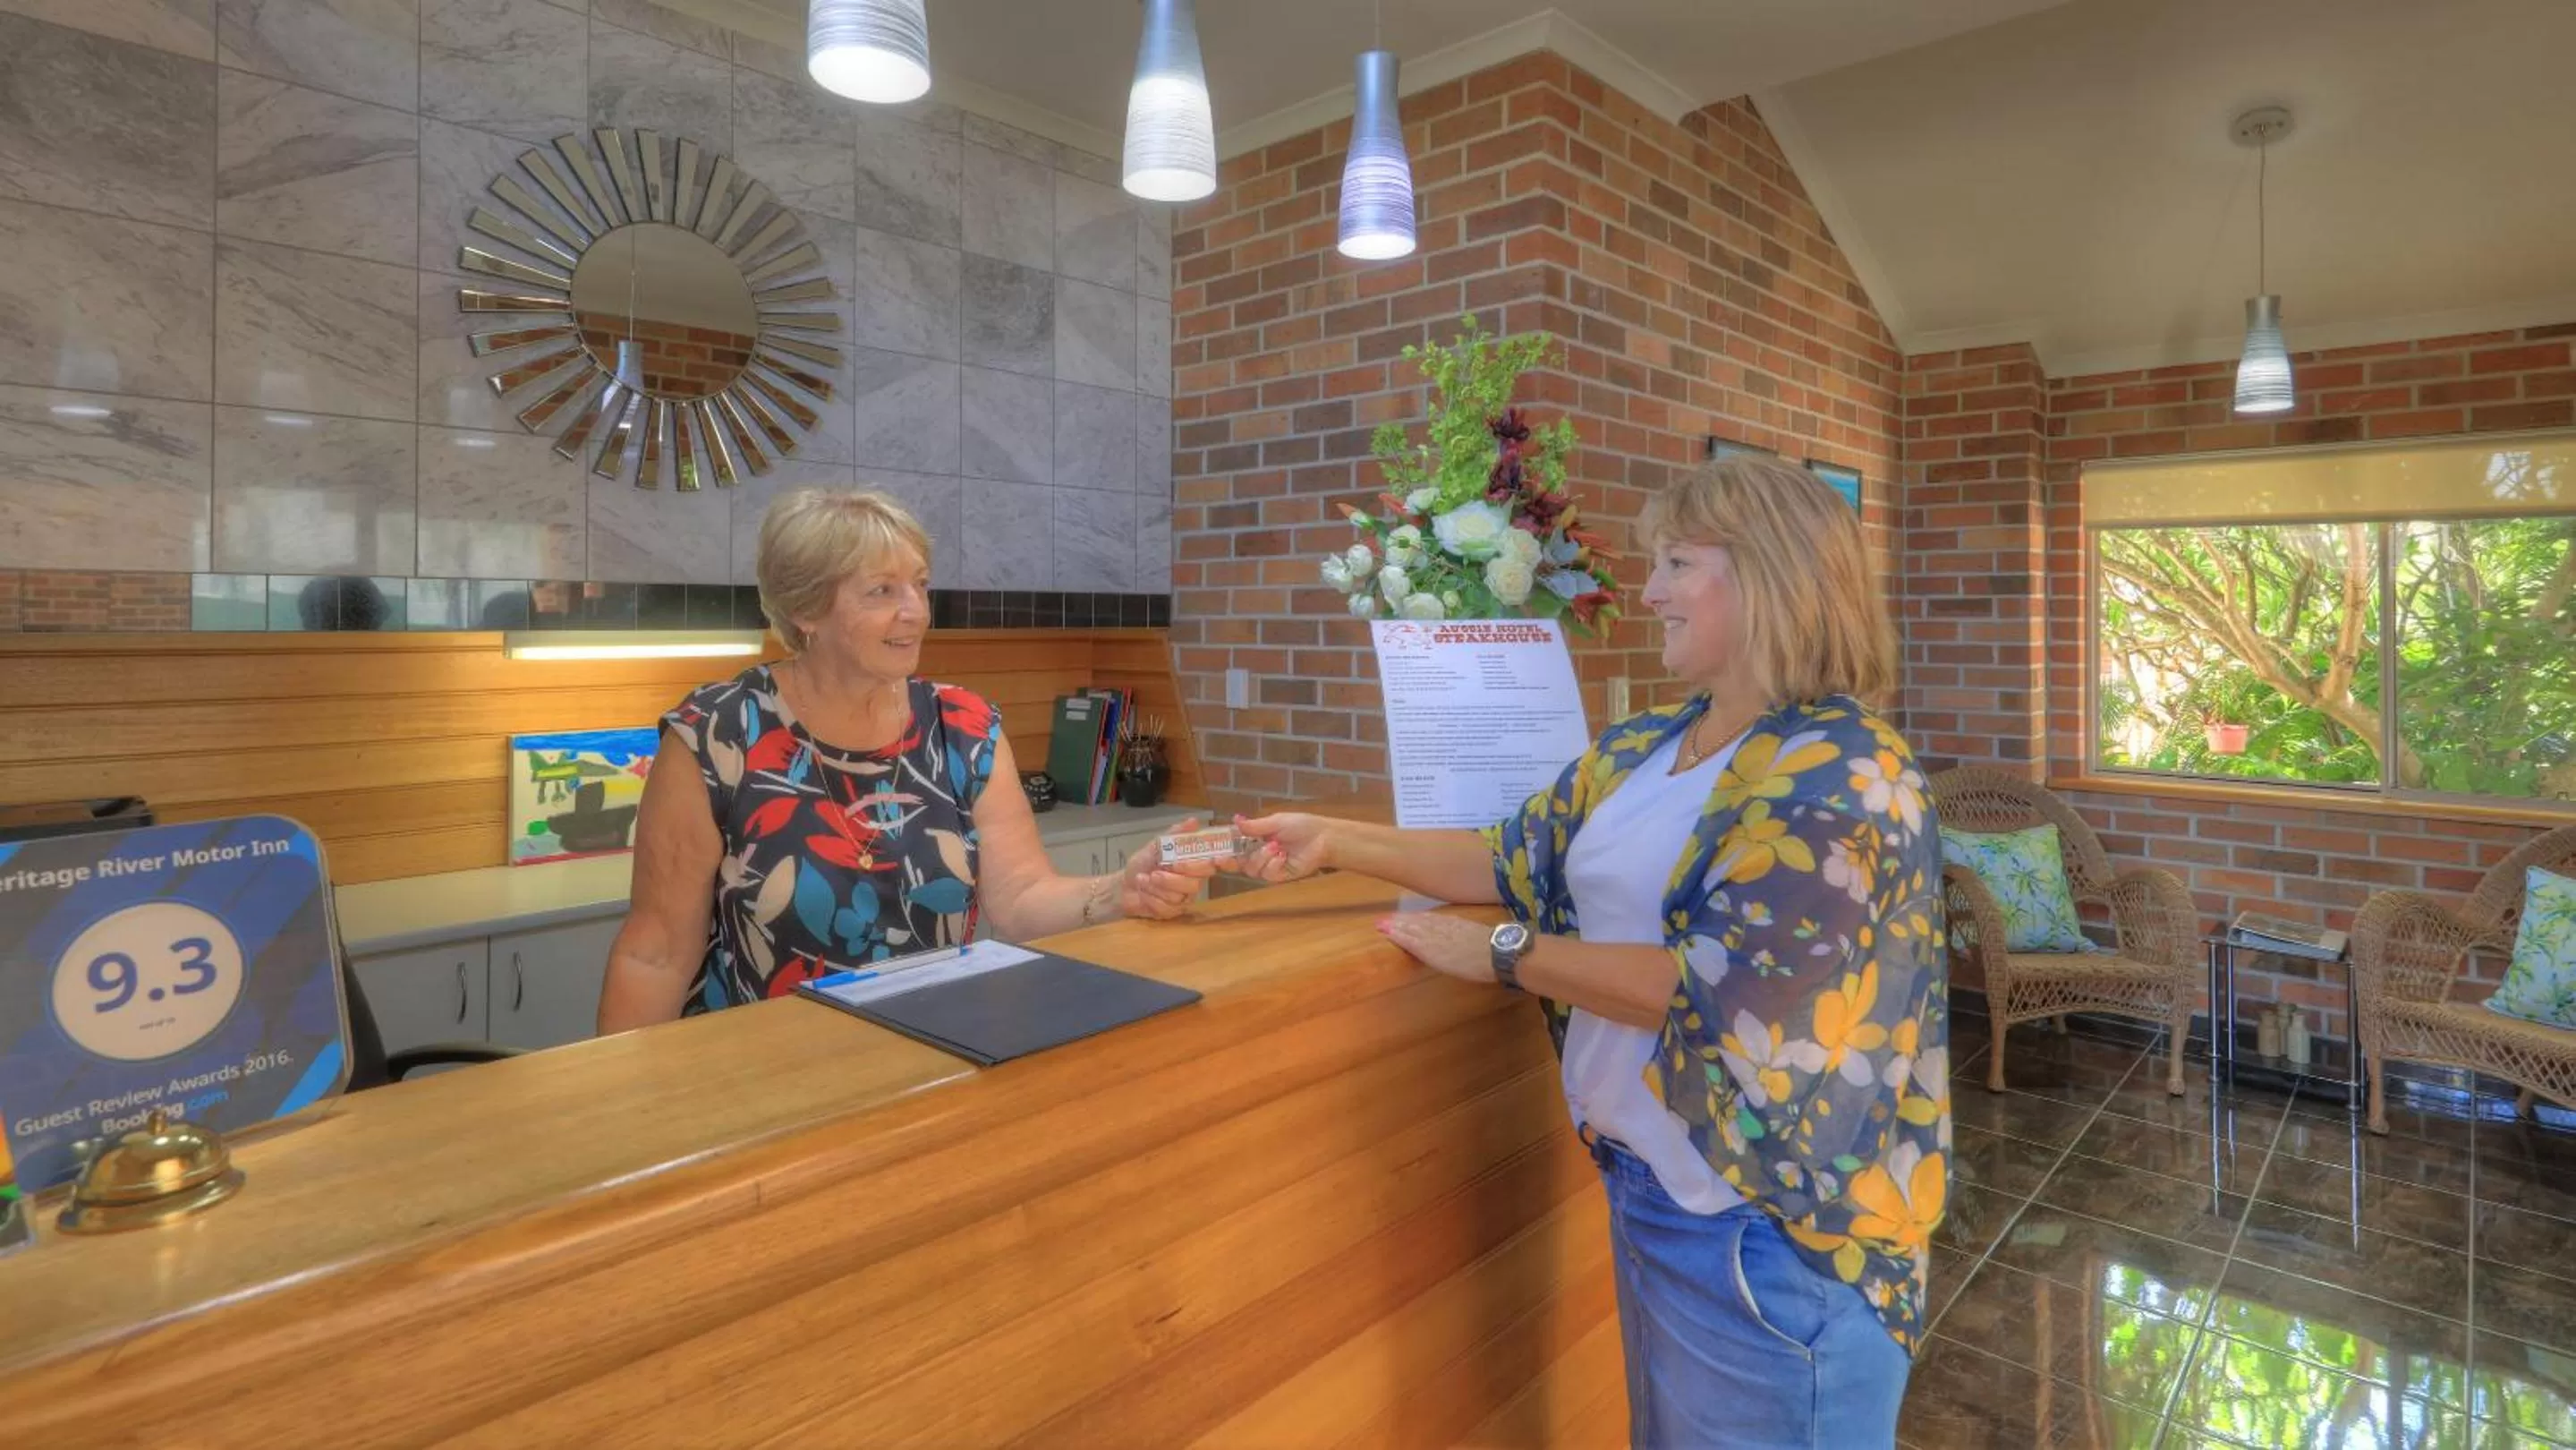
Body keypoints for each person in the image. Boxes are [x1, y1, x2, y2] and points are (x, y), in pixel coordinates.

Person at [1231, 456, 1948, 1448]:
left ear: (1771, 578)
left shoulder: (1848, 772)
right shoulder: (1652, 743)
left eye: (1677, 564)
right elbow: (1508, 855)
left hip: (1769, 1230)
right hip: (1654, 1190)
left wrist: (1506, 953)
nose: (1648, 592)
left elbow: (1712, 991)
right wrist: (1333, 842)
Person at [599, 488, 1212, 1029]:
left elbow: (1022, 897)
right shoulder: (717, 735)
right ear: (806, 609)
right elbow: (655, 953)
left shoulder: (963, 726)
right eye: (881, 591)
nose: (916, 610)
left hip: (933, 1046)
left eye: (919, 584)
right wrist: (619, 1103)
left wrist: (1117, 891)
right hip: (760, 1072)